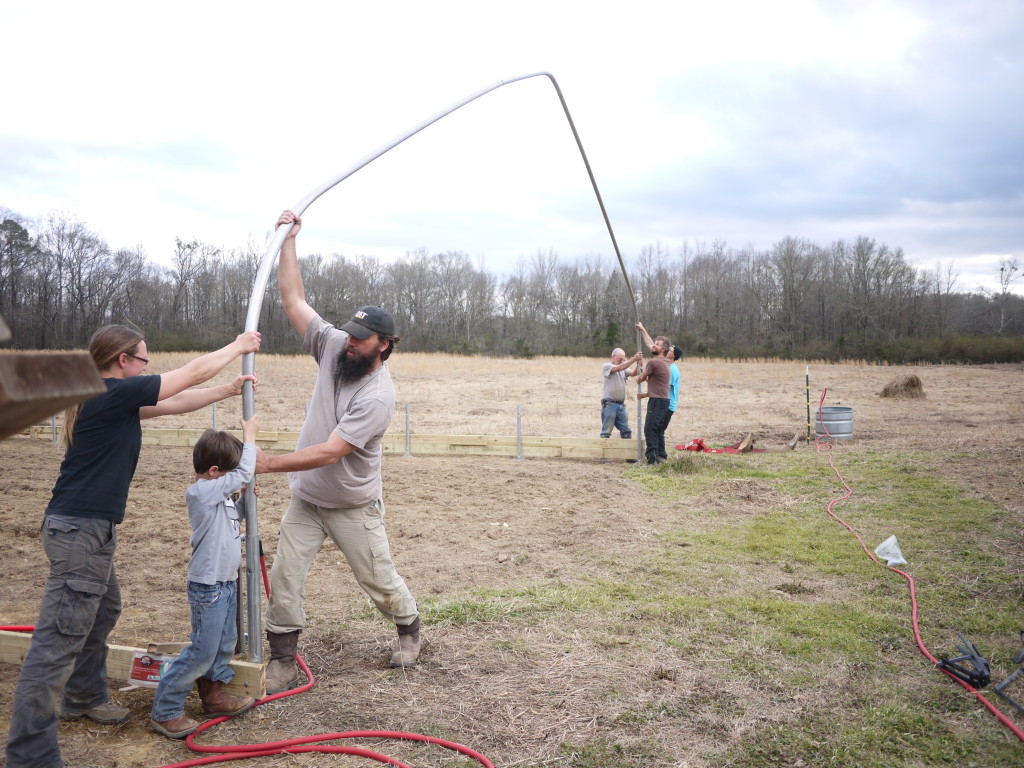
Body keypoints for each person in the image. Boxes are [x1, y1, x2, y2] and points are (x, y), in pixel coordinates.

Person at [6, 324, 261, 768]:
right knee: (54, 645)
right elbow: (189, 375)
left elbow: (176, 401)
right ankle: (30, 756)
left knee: (104, 610)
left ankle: (83, 695)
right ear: (123, 360)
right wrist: (238, 346)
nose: (147, 366)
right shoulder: (109, 391)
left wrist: (227, 390)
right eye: (143, 359)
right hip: (79, 534)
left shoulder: (109, 399)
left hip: (87, 531)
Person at [254, 209, 419, 695]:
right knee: (285, 574)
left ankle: (409, 630)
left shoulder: (379, 396)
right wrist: (289, 240)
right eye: (349, 333)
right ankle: (283, 658)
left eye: (361, 338)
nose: (350, 342)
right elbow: (293, 299)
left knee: (378, 579)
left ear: (383, 346)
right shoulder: (332, 346)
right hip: (307, 498)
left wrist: (268, 462)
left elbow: (331, 451)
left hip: (352, 503)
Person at [149, 418, 262, 739]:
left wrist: (245, 500)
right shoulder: (199, 494)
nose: (233, 482)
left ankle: (213, 697)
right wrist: (249, 439)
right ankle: (165, 710)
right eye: (228, 475)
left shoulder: (221, 498)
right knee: (201, 650)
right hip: (208, 587)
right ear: (214, 472)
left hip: (226, 584)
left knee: (225, 644)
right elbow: (242, 474)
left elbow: (234, 516)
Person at [634, 322, 672, 465]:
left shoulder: (654, 363)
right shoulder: (665, 360)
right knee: (657, 429)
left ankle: (651, 460)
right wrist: (643, 329)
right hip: (662, 401)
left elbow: (639, 380)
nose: (653, 346)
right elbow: (650, 344)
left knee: (650, 429)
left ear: (663, 349)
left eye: (657, 345)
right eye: (654, 343)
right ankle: (660, 457)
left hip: (657, 402)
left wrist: (639, 367)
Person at [600, 348, 642, 439]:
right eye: (620, 359)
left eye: (624, 359)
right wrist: (634, 359)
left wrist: (638, 365)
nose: (622, 361)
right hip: (609, 405)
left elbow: (634, 373)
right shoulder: (607, 366)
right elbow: (619, 368)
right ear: (613, 356)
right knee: (606, 433)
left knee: (626, 431)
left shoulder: (624, 368)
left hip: (621, 406)